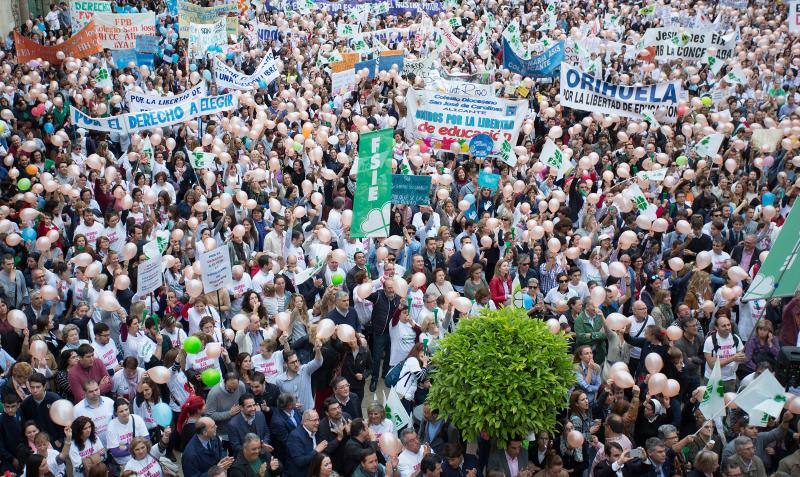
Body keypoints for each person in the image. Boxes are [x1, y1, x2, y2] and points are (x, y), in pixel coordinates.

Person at [274, 343, 323, 413]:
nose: (296, 365)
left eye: (297, 361)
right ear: (285, 364)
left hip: (309, 413)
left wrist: (318, 350)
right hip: (293, 416)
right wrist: (291, 405)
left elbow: (318, 362)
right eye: (292, 362)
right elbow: (282, 401)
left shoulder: (305, 370)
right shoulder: (280, 380)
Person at [703, 314, 745, 392]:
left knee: (728, 403)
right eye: (724, 326)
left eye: (728, 325)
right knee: (713, 404)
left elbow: (742, 356)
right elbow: (712, 365)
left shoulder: (736, 338)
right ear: (716, 328)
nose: (727, 328)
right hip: (713, 379)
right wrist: (733, 358)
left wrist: (741, 358)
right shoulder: (710, 341)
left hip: (730, 379)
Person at [205, 371, 247, 446]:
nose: (232, 391)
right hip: (223, 432)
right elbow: (209, 415)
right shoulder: (214, 393)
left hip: (239, 428)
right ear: (224, 382)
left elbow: (244, 402)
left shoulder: (241, 386)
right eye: (229, 388)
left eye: (235, 389)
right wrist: (229, 413)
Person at [106, 398, 149, 467]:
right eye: (121, 411)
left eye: (126, 409)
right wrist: (138, 446)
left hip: (141, 458)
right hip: (124, 463)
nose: (125, 413)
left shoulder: (137, 419)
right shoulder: (111, 426)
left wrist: (126, 446)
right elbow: (115, 452)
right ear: (116, 413)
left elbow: (147, 441)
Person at [285, 410, 328, 477]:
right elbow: (300, 461)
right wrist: (316, 451)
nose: (317, 423)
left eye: (318, 420)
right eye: (314, 420)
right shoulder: (295, 437)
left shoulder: (316, 430)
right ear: (305, 422)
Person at [73, 380, 115, 445]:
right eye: (91, 391)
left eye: (96, 389)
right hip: (92, 448)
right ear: (84, 392)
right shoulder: (76, 410)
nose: (95, 393)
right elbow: (76, 432)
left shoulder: (109, 402)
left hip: (112, 443)